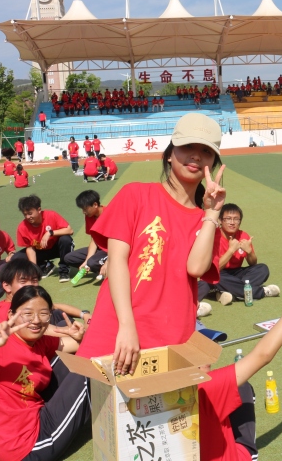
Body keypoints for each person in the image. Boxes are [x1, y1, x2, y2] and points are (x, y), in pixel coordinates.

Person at [75, 112, 225, 376]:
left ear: (212, 163)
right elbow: (117, 261)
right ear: (169, 154)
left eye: (206, 151)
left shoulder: (206, 223)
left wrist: (212, 213)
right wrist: (126, 326)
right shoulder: (135, 194)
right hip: (118, 332)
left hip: (173, 337)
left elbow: (196, 269)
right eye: (187, 147)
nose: (196, 156)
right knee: (98, 400)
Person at [198, 260, 282, 461]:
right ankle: (249, 452)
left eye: (210, 343)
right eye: (202, 347)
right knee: (241, 386)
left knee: (240, 386)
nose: (210, 352)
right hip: (232, 456)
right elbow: (263, 354)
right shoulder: (206, 388)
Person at [0, 285, 90, 460]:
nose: (36, 320)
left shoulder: (37, 340)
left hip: (31, 415)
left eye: (43, 313)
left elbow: (75, 345)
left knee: (70, 350)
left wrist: (79, 337)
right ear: (11, 315)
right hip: (26, 446)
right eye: (28, 313)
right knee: (88, 372)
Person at [200, 203, 280, 306]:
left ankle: (228, 291)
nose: (232, 223)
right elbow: (215, 269)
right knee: (213, 278)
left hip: (237, 273)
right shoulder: (214, 236)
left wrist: (249, 252)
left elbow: (253, 263)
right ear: (220, 220)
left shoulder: (243, 235)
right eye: (228, 219)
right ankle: (261, 292)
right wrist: (231, 250)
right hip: (220, 273)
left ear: (240, 222)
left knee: (262, 269)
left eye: (236, 219)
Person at [10, 195, 74, 283]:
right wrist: (33, 269)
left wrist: (50, 233)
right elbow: (30, 249)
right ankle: (45, 266)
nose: (28, 217)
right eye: (25, 214)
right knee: (16, 258)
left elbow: (70, 230)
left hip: (57, 249)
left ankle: (64, 270)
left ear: (39, 210)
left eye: (30, 213)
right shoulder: (22, 227)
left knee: (65, 239)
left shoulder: (51, 215)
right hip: (40, 251)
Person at [63, 190, 108, 281]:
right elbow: (94, 239)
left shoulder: (109, 214)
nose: (83, 212)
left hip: (112, 248)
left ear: (95, 205)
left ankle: (110, 269)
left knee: (92, 262)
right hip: (100, 248)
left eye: (85, 209)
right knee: (69, 258)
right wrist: (86, 261)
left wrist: (108, 261)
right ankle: (99, 269)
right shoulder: (89, 216)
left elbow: (117, 241)